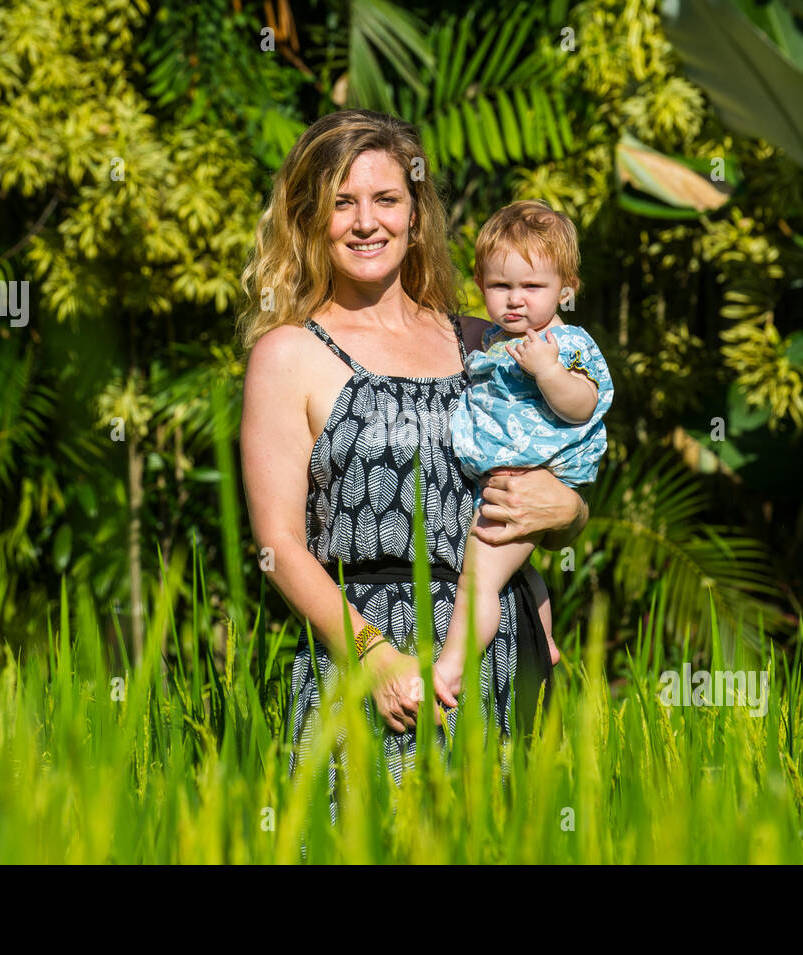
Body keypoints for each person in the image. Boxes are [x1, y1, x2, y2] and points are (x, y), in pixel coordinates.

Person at [237, 109, 589, 819]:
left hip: (503, 646)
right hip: (367, 659)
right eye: (342, 202)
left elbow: (559, 468)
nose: (366, 222)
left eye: (386, 199)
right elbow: (277, 546)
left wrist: (571, 513)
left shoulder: (485, 342)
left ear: (415, 213)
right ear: (312, 217)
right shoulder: (287, 356)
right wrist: (373, 656)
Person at [437, 201, 614, 697]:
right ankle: (546, 637)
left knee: (478, 581)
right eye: (500, 286)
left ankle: (450, 668)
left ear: (566, 287)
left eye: (532, 287)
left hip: (530, 478)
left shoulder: (564, 343)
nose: (516, 300)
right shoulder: (494, 339)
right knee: (523, 570)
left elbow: (583, 405)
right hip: (503, 477)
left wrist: (548, 371)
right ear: (479, 282)